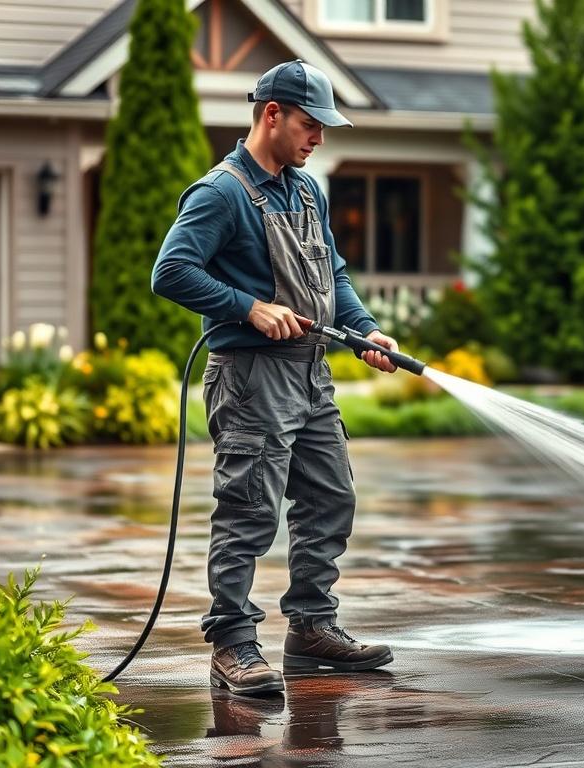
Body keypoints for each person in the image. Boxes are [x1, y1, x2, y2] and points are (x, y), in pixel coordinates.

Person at [152, 59, 398, 697]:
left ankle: (312, 627)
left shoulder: (306, 189)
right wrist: (248, 307)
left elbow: (334, 274)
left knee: (330, 497)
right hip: (250, 377)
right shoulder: (221, 192)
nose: (319, 137)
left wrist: (366, 329)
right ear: (273, 114)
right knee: (248, 511)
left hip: (310, 374)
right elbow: (170, 271)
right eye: (311, 124)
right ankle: (232, 643)